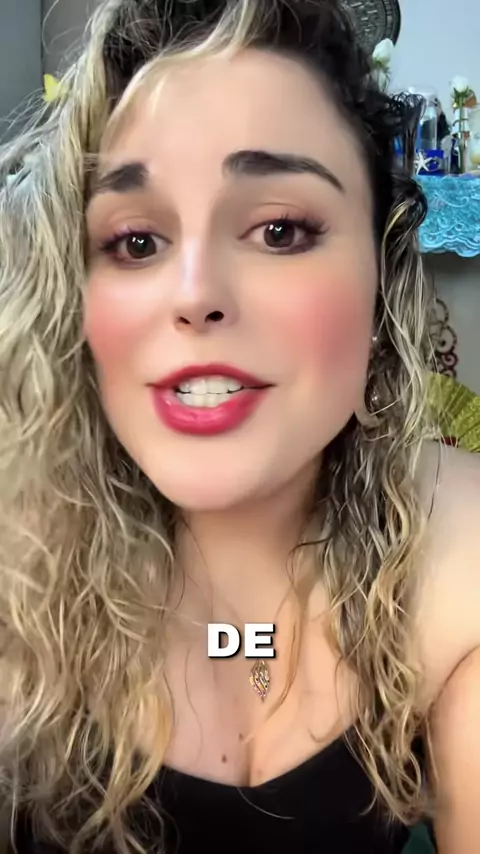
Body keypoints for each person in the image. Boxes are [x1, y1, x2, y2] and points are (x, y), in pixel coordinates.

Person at [0, 1, 479, 852]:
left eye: (279, 230)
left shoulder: (455, 552)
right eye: (136, 241)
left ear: (381, 277)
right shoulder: (14, 571)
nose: (195, 294)